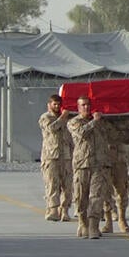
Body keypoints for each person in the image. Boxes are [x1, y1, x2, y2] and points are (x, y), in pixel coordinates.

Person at [68, 95, 111, 239]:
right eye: (83, 105)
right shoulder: (74, 122)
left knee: (96, 196)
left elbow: (114, 134)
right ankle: (83, 222)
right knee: (80, 197)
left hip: (99, 165)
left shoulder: (101, 122)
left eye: (88, 105)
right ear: (78, 107)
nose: (86, 107)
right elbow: (81, 133)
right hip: (82, 165)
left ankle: (93, 225)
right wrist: (94, 121)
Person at [38, 94, 74, 222]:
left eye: (59, 104)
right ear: (49, 105)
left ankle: (64, 209)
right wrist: (63, 117)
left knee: (67, 185)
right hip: (51, 157)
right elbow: (51, 128)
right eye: (54, 104)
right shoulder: (45, 117)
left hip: (66, 156)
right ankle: (53, 208)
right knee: (52, 183)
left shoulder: (67, 118)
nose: (57, 106)